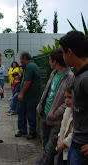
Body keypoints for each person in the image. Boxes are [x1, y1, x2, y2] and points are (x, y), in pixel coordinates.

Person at [35, 48, 74, 165]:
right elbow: (47, 92)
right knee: (45, 146)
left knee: (50, 149)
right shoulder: (53, 73)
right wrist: (40, 107)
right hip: (45, 114)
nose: (49, 62)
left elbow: (69, 99)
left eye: (50, 60)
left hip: (56, 119)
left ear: (55, 62)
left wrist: (56, 113)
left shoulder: (69, 76)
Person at [59, 30, 88, 165]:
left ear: (69, 52)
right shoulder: (79, 74)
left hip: (82, 150)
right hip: (76, 144)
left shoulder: (86, 78)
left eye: (63, 53)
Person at [15, 52, 42, 140]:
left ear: (25, 59)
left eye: (21, 59)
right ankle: (22, 130)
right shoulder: (28, 66)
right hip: (26, 97)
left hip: (31, 97)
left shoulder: (30, 67)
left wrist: (21, 93)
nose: (20, 61)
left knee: (30, 115)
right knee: (21, 113)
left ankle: (32, 132)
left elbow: (28, 81)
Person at [56, 86, 73, 165]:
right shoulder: (67, 110)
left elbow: (74, 133)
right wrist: (59, 139)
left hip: (70, 149)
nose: (66, 100)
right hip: (62, 150)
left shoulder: (79, 113)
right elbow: (63, 127)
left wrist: (63, 144)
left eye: (70, 97)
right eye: (65, 97)